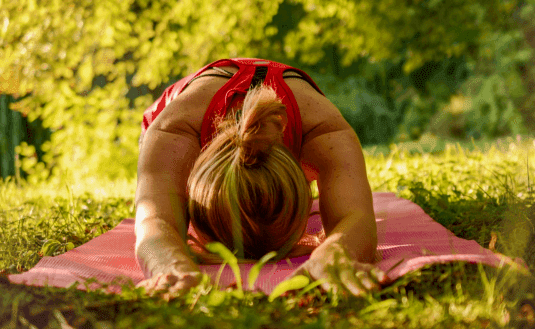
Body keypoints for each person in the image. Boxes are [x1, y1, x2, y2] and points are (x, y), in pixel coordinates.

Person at [135, 58, 385, 297]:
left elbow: (357, 218)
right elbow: (154, 222)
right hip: (180, 118)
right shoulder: (174, 129)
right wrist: (170, 266)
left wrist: (335, 253)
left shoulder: (323, 129)